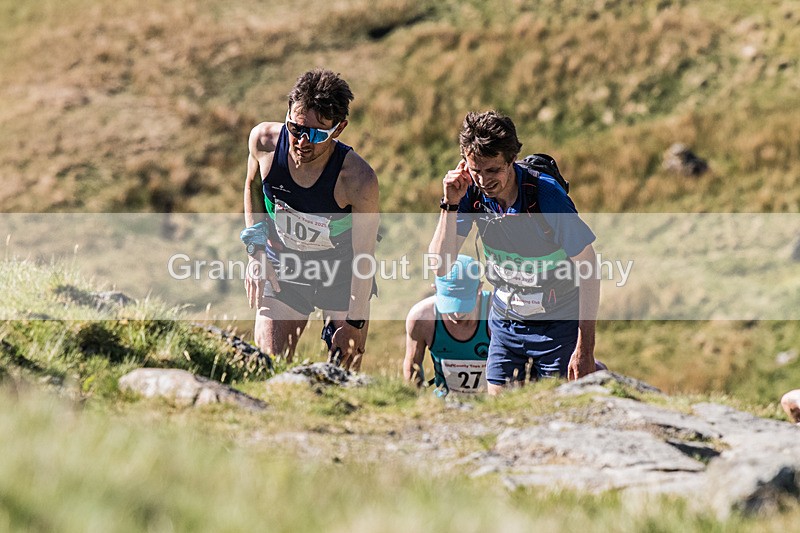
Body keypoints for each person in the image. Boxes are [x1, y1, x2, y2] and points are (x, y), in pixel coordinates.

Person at [428, 110, 601, 395]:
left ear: (511, 160)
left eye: (493, 170)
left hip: (557, 324)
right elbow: (440, 266)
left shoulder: (545, 196)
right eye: (475, 170)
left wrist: (585, 347)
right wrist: (450, 203)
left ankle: (600, 375)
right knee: (502, 409)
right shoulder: (469, 193)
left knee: (555, 411)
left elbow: (590, 268)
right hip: (506, 321)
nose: (484, 180)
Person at [242, 69, 379, 371]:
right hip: (284, 265)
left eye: (317, 134)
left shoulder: (358, 179)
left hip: (341, 272)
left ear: (339, 128)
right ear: (287, 113)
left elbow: (364, 256)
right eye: (295, 128)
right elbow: (252, 187)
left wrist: (354, 322)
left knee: (344, 371)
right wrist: (256, 250)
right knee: (266, 365)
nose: (302, 141)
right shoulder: (264, 142)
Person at [404, 255, 492, 396]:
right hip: (444, 403)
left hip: (495, 404)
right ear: (435, 289)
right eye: (449, 303)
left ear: (479, 289)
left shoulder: (497, 313)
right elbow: (412, 368)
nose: (457, 314)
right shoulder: (421, 318)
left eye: (464, 303)